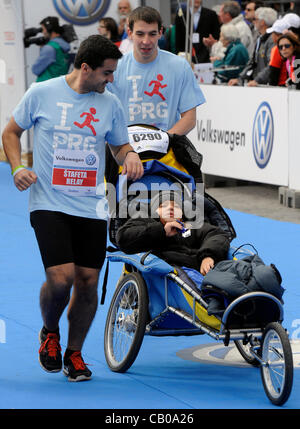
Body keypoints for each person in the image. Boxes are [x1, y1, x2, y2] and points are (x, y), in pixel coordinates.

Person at [1, 35, 144, 382]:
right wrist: (18, 168)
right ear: (85, 68)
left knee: (88, 281)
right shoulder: (43, 93)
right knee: (61, 277)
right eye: (106, 73)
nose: (111, 80)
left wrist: (130, 155)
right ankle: (50, 331)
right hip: (48, 201)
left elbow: (119, 144)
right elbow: (10, 132)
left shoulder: (110, 103)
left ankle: (74, 353)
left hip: (92, 205)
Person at [107, 6, 206, 137]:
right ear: (129, 33)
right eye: (140, 34)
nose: (146, 41)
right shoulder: (115, 68)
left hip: (167, 151)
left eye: (152, 34)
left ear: (160, 33)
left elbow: (190, 119)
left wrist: (161, 141)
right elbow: (105, 115)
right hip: (126, 152)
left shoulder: (180, 66)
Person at [116, 191, 230, 275]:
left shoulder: (190, 226)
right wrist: (161, 230)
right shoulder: (144, 222)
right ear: (156, 211)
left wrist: (208, 256)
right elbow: (123, 238)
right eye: (164, 206)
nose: (171, 208)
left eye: (176, 206)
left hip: (200, 270)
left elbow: (217, 234)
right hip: (168, 274)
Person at [228, 7, 277, 86]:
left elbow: (271, 65)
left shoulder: (272, 40)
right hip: (259, 83)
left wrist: (258, 80)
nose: (253, 22)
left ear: (262, 22)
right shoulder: (260, 38)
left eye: (255, 19)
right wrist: (240, 79)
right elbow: (252, 62)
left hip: (267, 85)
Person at [32, 16, 70, 82]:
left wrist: (42, 48)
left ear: (49, 29)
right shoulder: (63, 46)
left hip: (46, 86)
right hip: (58, 85)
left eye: (43, 29)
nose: (43, 32)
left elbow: (36, 70)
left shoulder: (49, 48)